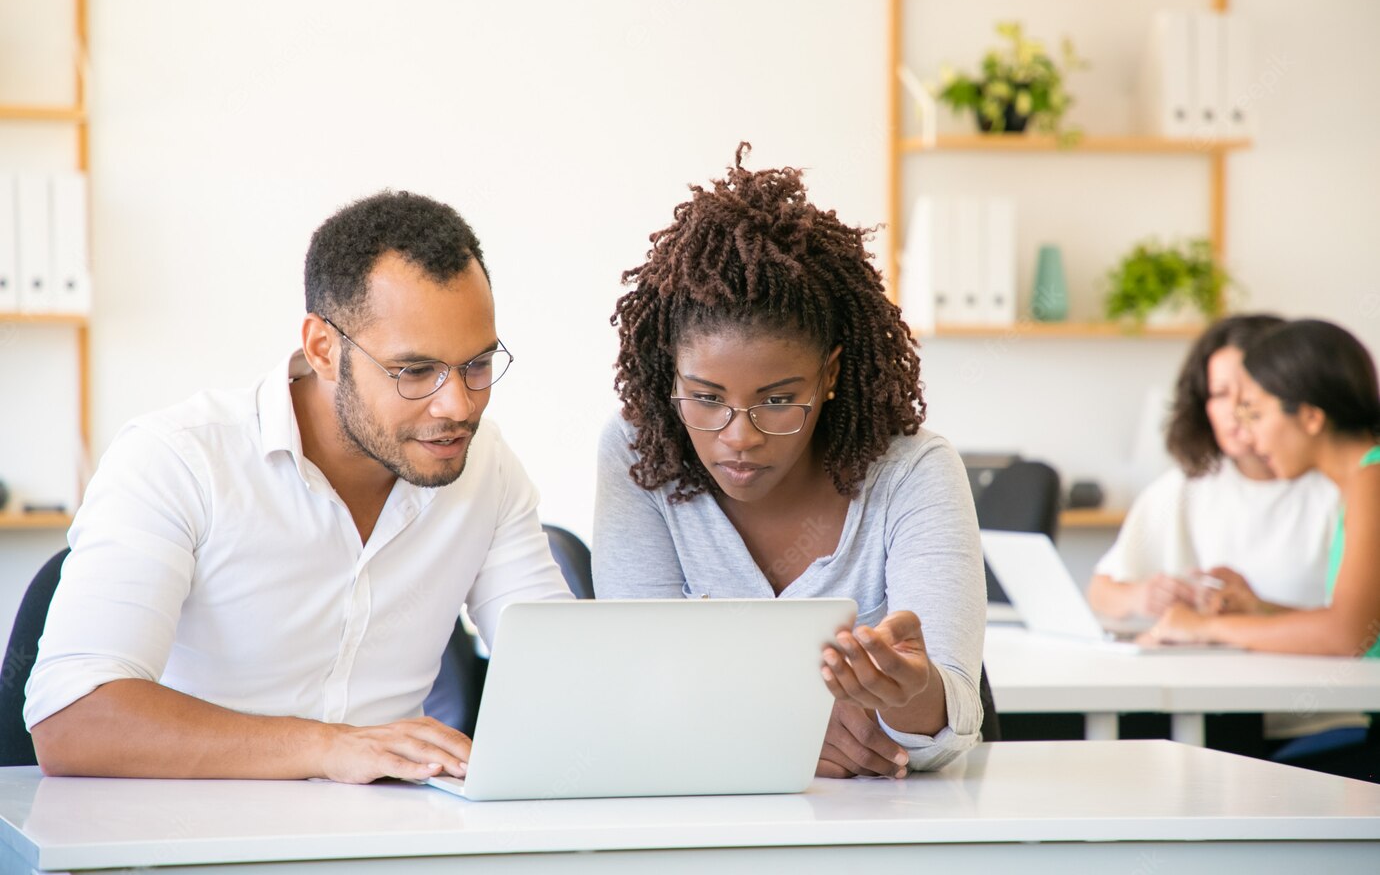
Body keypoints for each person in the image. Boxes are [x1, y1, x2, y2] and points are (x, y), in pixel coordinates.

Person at [26, 191, 572, 782]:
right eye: (415, 371)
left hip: (396, 841)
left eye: (478, 365)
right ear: (323, 349)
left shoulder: (486, 467)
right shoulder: (178, 460)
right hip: (193, 840)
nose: (457, 404)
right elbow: (72, 720)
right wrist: (329, 747)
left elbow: (563, 678)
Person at [593, 144, 985, 778]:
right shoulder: (641, 456)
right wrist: (779, 726)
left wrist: (912, 696)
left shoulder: (914, 474)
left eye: (778, 400)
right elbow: (634, 692)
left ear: (828, 374)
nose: (740, 437)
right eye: (706, 398)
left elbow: (946, 732)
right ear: (672, 373)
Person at [1149, 318, 1380, 656]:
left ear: (1310, 417)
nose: (1250, 436)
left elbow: (1346, 636)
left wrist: (1205, 626)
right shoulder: (1362, 477)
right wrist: (1261, 610)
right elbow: (1360, 627)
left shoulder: (1372, 479)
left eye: (1255, 415)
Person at [1088, 314, 1338, 621]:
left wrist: (1245, 613)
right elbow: (1101, 590)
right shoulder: (1183, 486)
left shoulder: (1337, 488)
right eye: (1220, 394)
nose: (1236, 410)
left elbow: (1353, 631)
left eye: (1250, 393)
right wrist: (1141, 597)